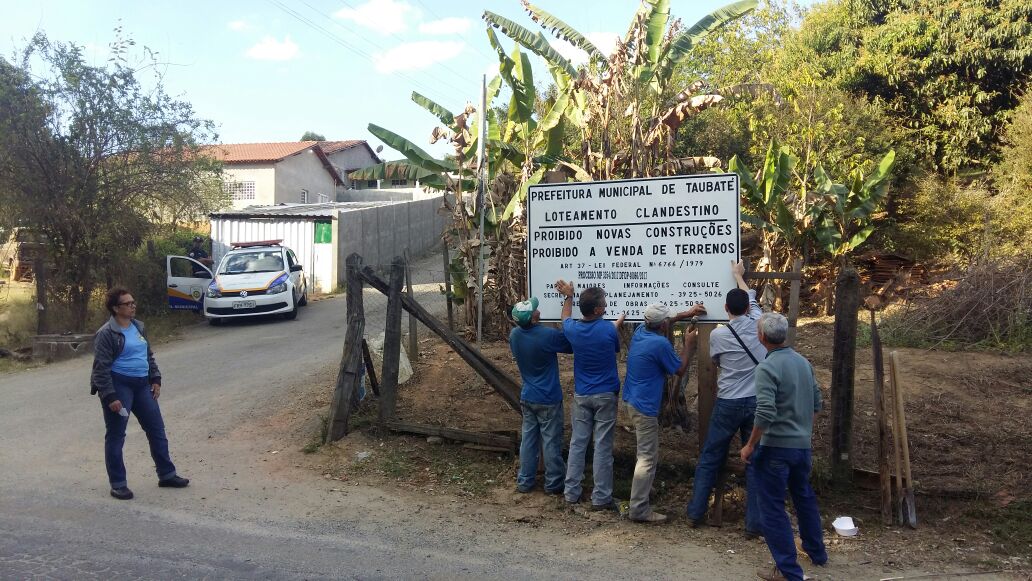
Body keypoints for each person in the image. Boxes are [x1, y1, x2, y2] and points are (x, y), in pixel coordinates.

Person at [740, 312, 827, 581]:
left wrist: (750, 445)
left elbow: (764, 412)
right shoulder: (802, 362)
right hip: (801, 447)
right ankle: (816, 551)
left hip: (775, 447)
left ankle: (788, 571)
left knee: (773, 508)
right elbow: (817, 403)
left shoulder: (767, 367)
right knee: (804, 497)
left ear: (762, 337)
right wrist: (803, 431)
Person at [686, 260, 766, 536]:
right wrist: (738, 276)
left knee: (710, 456)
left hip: (729, 402)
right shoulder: (760, 325)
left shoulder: (719, 335)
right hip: (756, 401)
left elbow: (717, 362)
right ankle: (754, 524)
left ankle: (695, 512)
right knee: (754, 459)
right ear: (747, 308)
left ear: (726, 309)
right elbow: (751, 298)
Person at [90, 287, 190, 500]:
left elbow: (148, 355)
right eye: (128, 303)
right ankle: (118, 484)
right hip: (119, 386)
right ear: (116, 308)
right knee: (116, 435)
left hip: (142, 385)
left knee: (156, 430)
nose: (133, 306)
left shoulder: (138, 327)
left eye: (133, 302)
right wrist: (110, 396)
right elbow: (100, 369)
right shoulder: (106, 333)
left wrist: (155, 379)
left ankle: (167, 475)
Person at [622, 302, 706, 523]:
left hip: (633, 399)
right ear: (661, 327)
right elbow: (679, 369)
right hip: (644, 406)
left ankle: (640, 498)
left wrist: (686, 314)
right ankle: (639, 509)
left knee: (645, 454)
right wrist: (689, 345)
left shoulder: (641, 331)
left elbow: (666, 321)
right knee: (647, 458)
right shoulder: (660, 344)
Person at [555, 280, 624, 510]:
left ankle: (571, 492)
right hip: (605, 395)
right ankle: (601, 497)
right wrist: (617, 325)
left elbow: (565, 318)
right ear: (597, 310)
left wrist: (568, 296)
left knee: (578, 443)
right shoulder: (607, 329)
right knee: (602, 446)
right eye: (604, 304)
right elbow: (615, 347)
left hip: (582, 394)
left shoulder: (574, 330)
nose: (606, 306)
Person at [509, 297, 573, 494]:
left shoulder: (514, 335)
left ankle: (525, 481)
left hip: (528, 395)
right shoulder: (547, 335)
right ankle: (553, 484)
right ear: (534, 318)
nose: (538, 310)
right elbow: (570, 345)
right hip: (548, 397)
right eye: (536, 309)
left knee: (528, 440)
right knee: (551, 441)